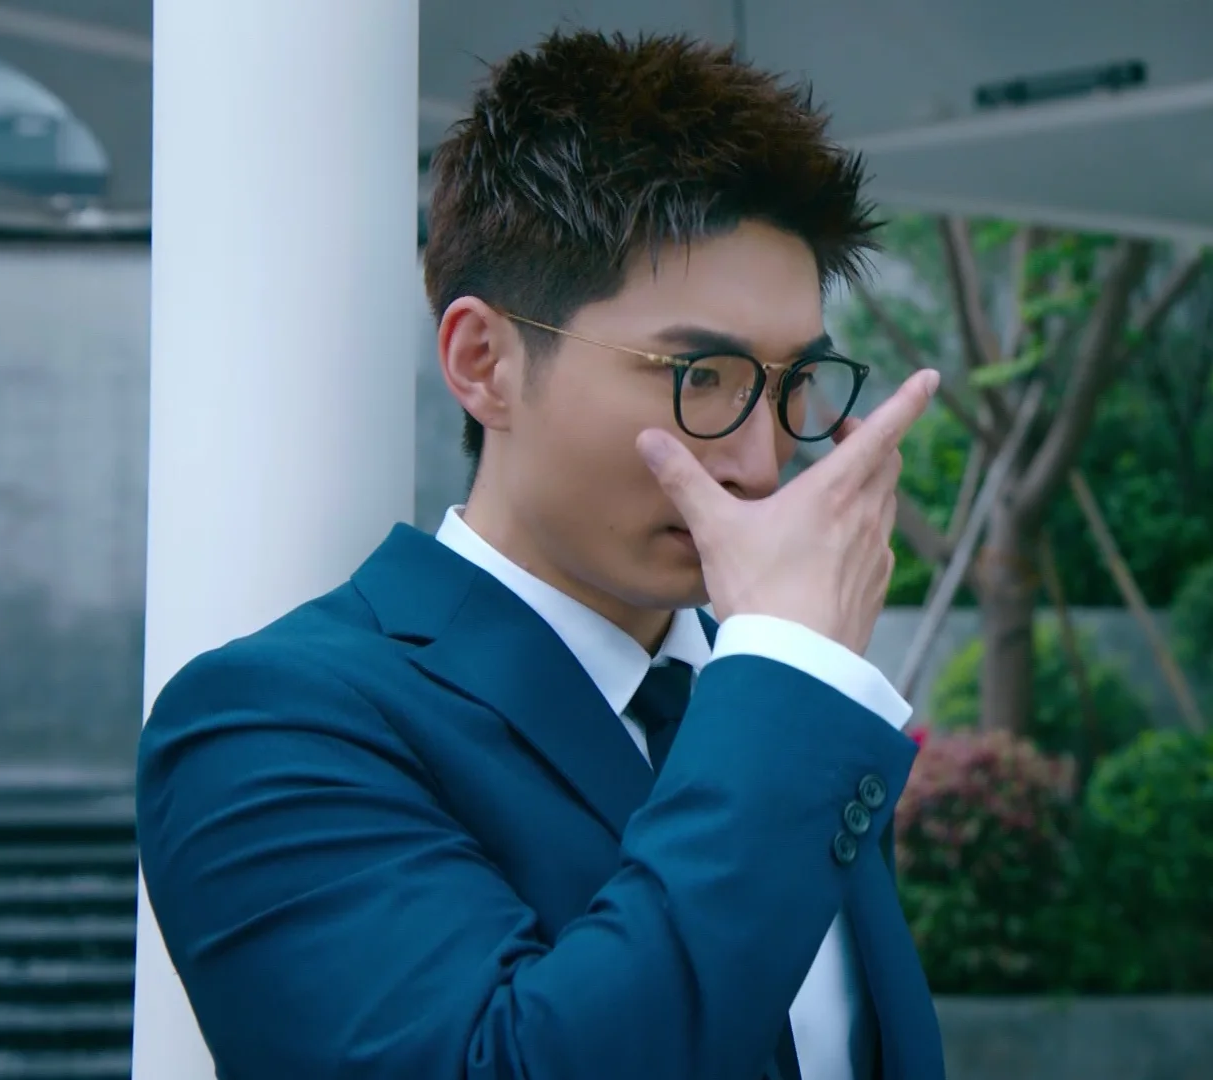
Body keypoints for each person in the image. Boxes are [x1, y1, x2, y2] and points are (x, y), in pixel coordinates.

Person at [134, 28, 945, 1080]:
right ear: (485, 362)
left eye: (794, 382)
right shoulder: (269, 725)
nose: (761, 459)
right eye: (700, 376)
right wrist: (794, 681)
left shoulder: (761, 691)